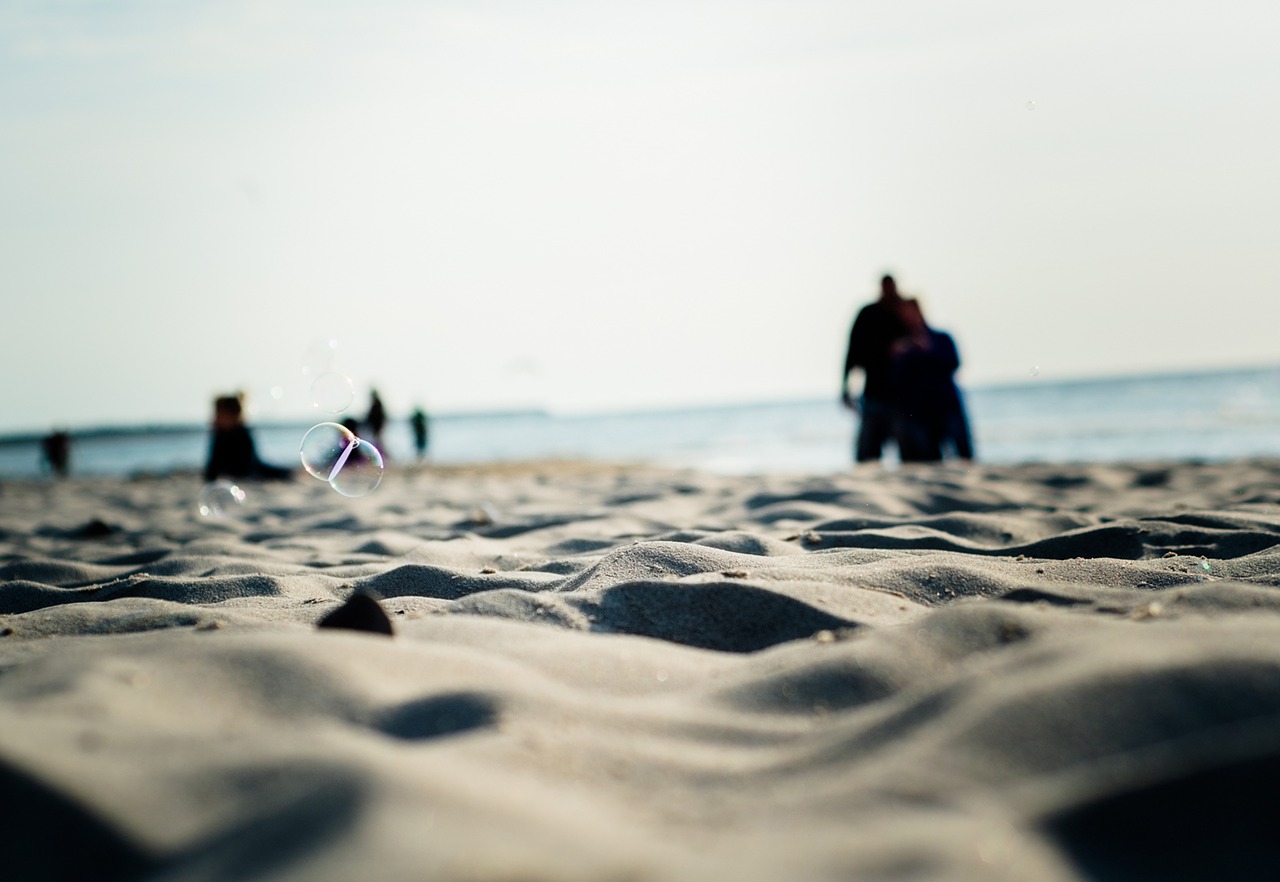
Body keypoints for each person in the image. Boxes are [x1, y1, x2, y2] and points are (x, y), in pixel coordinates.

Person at [888, 298, 974, 462]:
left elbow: (954, 363)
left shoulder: (941, 337)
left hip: (948, 404)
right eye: (904, 315)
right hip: (921, 410)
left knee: (964, 453)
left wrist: (929, 350)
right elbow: (897, 381)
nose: (908, 318)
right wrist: (900, 356)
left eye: (911, 313)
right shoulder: (903, 347)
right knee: (930, 456)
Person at [841, 274, 909, 462]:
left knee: (910, 451)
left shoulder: (903, 312)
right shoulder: (868, 313)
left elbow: (922, 344)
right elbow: (852, 351)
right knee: (867, 453)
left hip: (902, 395)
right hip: (875, 393)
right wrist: (845, 387)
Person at [203, 393, 293, 481]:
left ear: (232, 416)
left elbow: (249, 464)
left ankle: (292, 472)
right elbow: (213, 466)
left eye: (219, 414)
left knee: (280, 473)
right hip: (251, 470)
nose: (215, 418)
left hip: (255, 470)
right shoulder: (219, 435)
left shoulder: (243, 434)